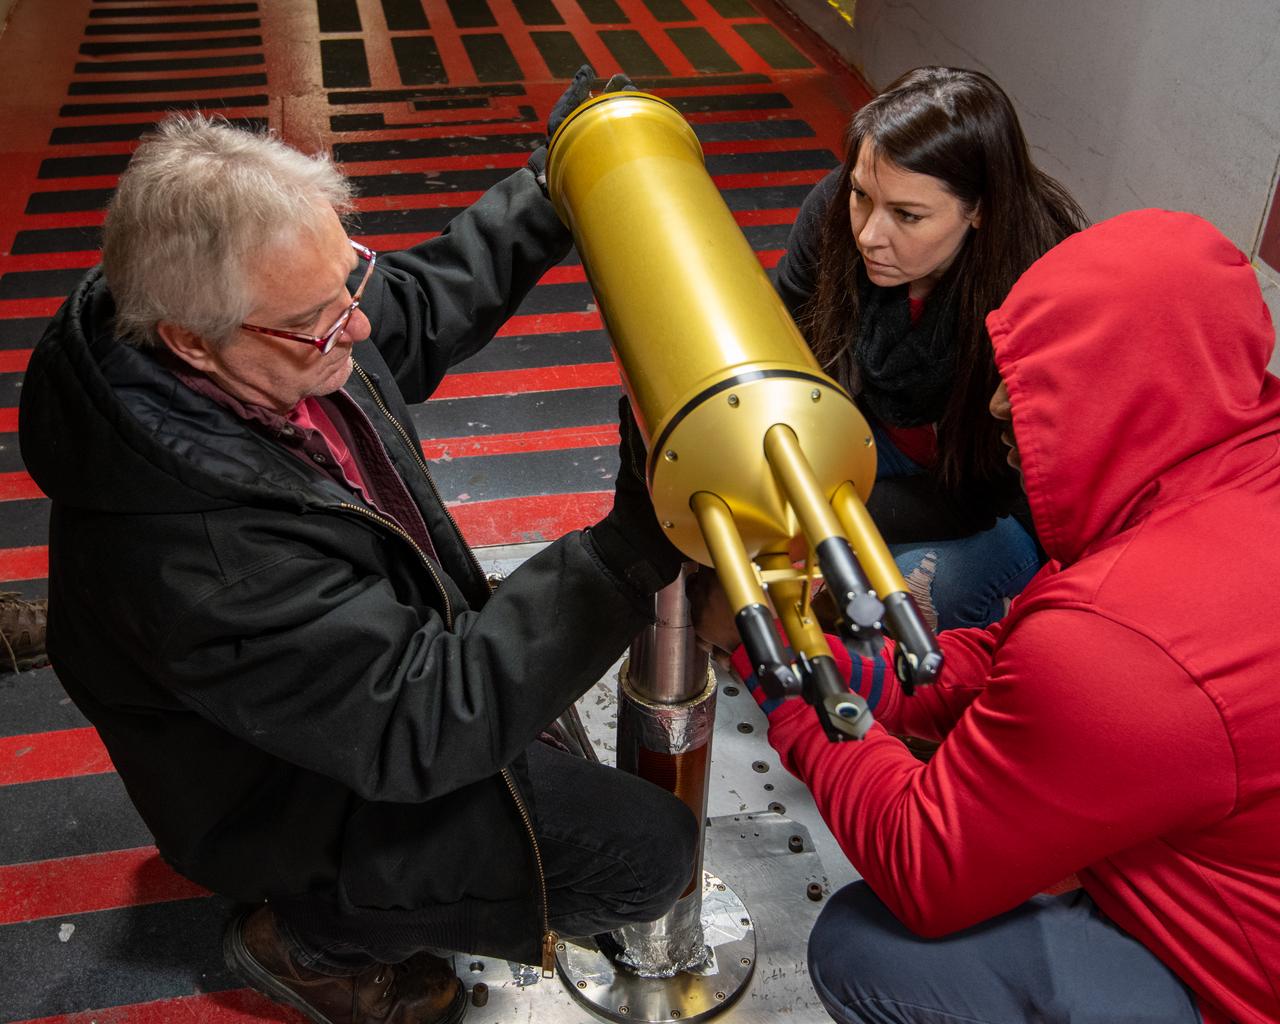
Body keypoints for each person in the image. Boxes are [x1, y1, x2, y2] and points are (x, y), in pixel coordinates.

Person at [18, 68, 699, 1024]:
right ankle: (306, 942)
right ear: (192, 342)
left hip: (339, 700)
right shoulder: (201, 560)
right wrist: (629, 548)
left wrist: (550, 189)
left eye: (345, 282)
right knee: (647, 857)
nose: (358, 324)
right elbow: (426, 722)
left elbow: (409, 311)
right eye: (317, 321)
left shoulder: (258, 324)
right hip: (290, 790)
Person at [699, 209, 1280, 1023]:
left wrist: (777, 671)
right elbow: (1014, 654)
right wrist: (848, 664)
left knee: (869, 947)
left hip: (1246, 981)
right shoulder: (1223, 481)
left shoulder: (1124, 640)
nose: (1003, 406)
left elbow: (923, 861)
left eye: (1040, 384)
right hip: (1227, 846)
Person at [776, 66, 1088, 630]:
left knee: (903, 602)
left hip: (1002, 494)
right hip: (883, 435)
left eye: (907, 215)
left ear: (980, 209)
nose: (869, 234)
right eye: (862, 196)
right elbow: (780, 345)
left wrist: (831, 521)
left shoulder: (1045, 287)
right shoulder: (836, 209)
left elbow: (991, 491)